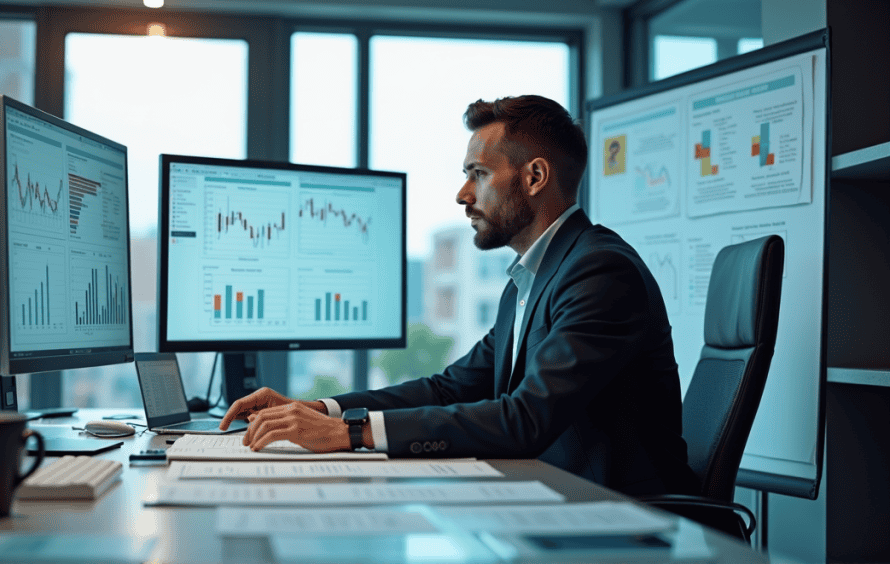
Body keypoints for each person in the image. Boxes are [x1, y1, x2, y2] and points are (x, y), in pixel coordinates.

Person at [220, 95, 699, 496]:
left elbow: (526, 419)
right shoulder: (532, 279)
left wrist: (351, 434)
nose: (462, 194)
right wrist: (321, 410)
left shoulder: (599, 272)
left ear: (535, 177)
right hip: (549, 501)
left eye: (479, 174)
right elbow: (448, 388)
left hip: (618, 525)